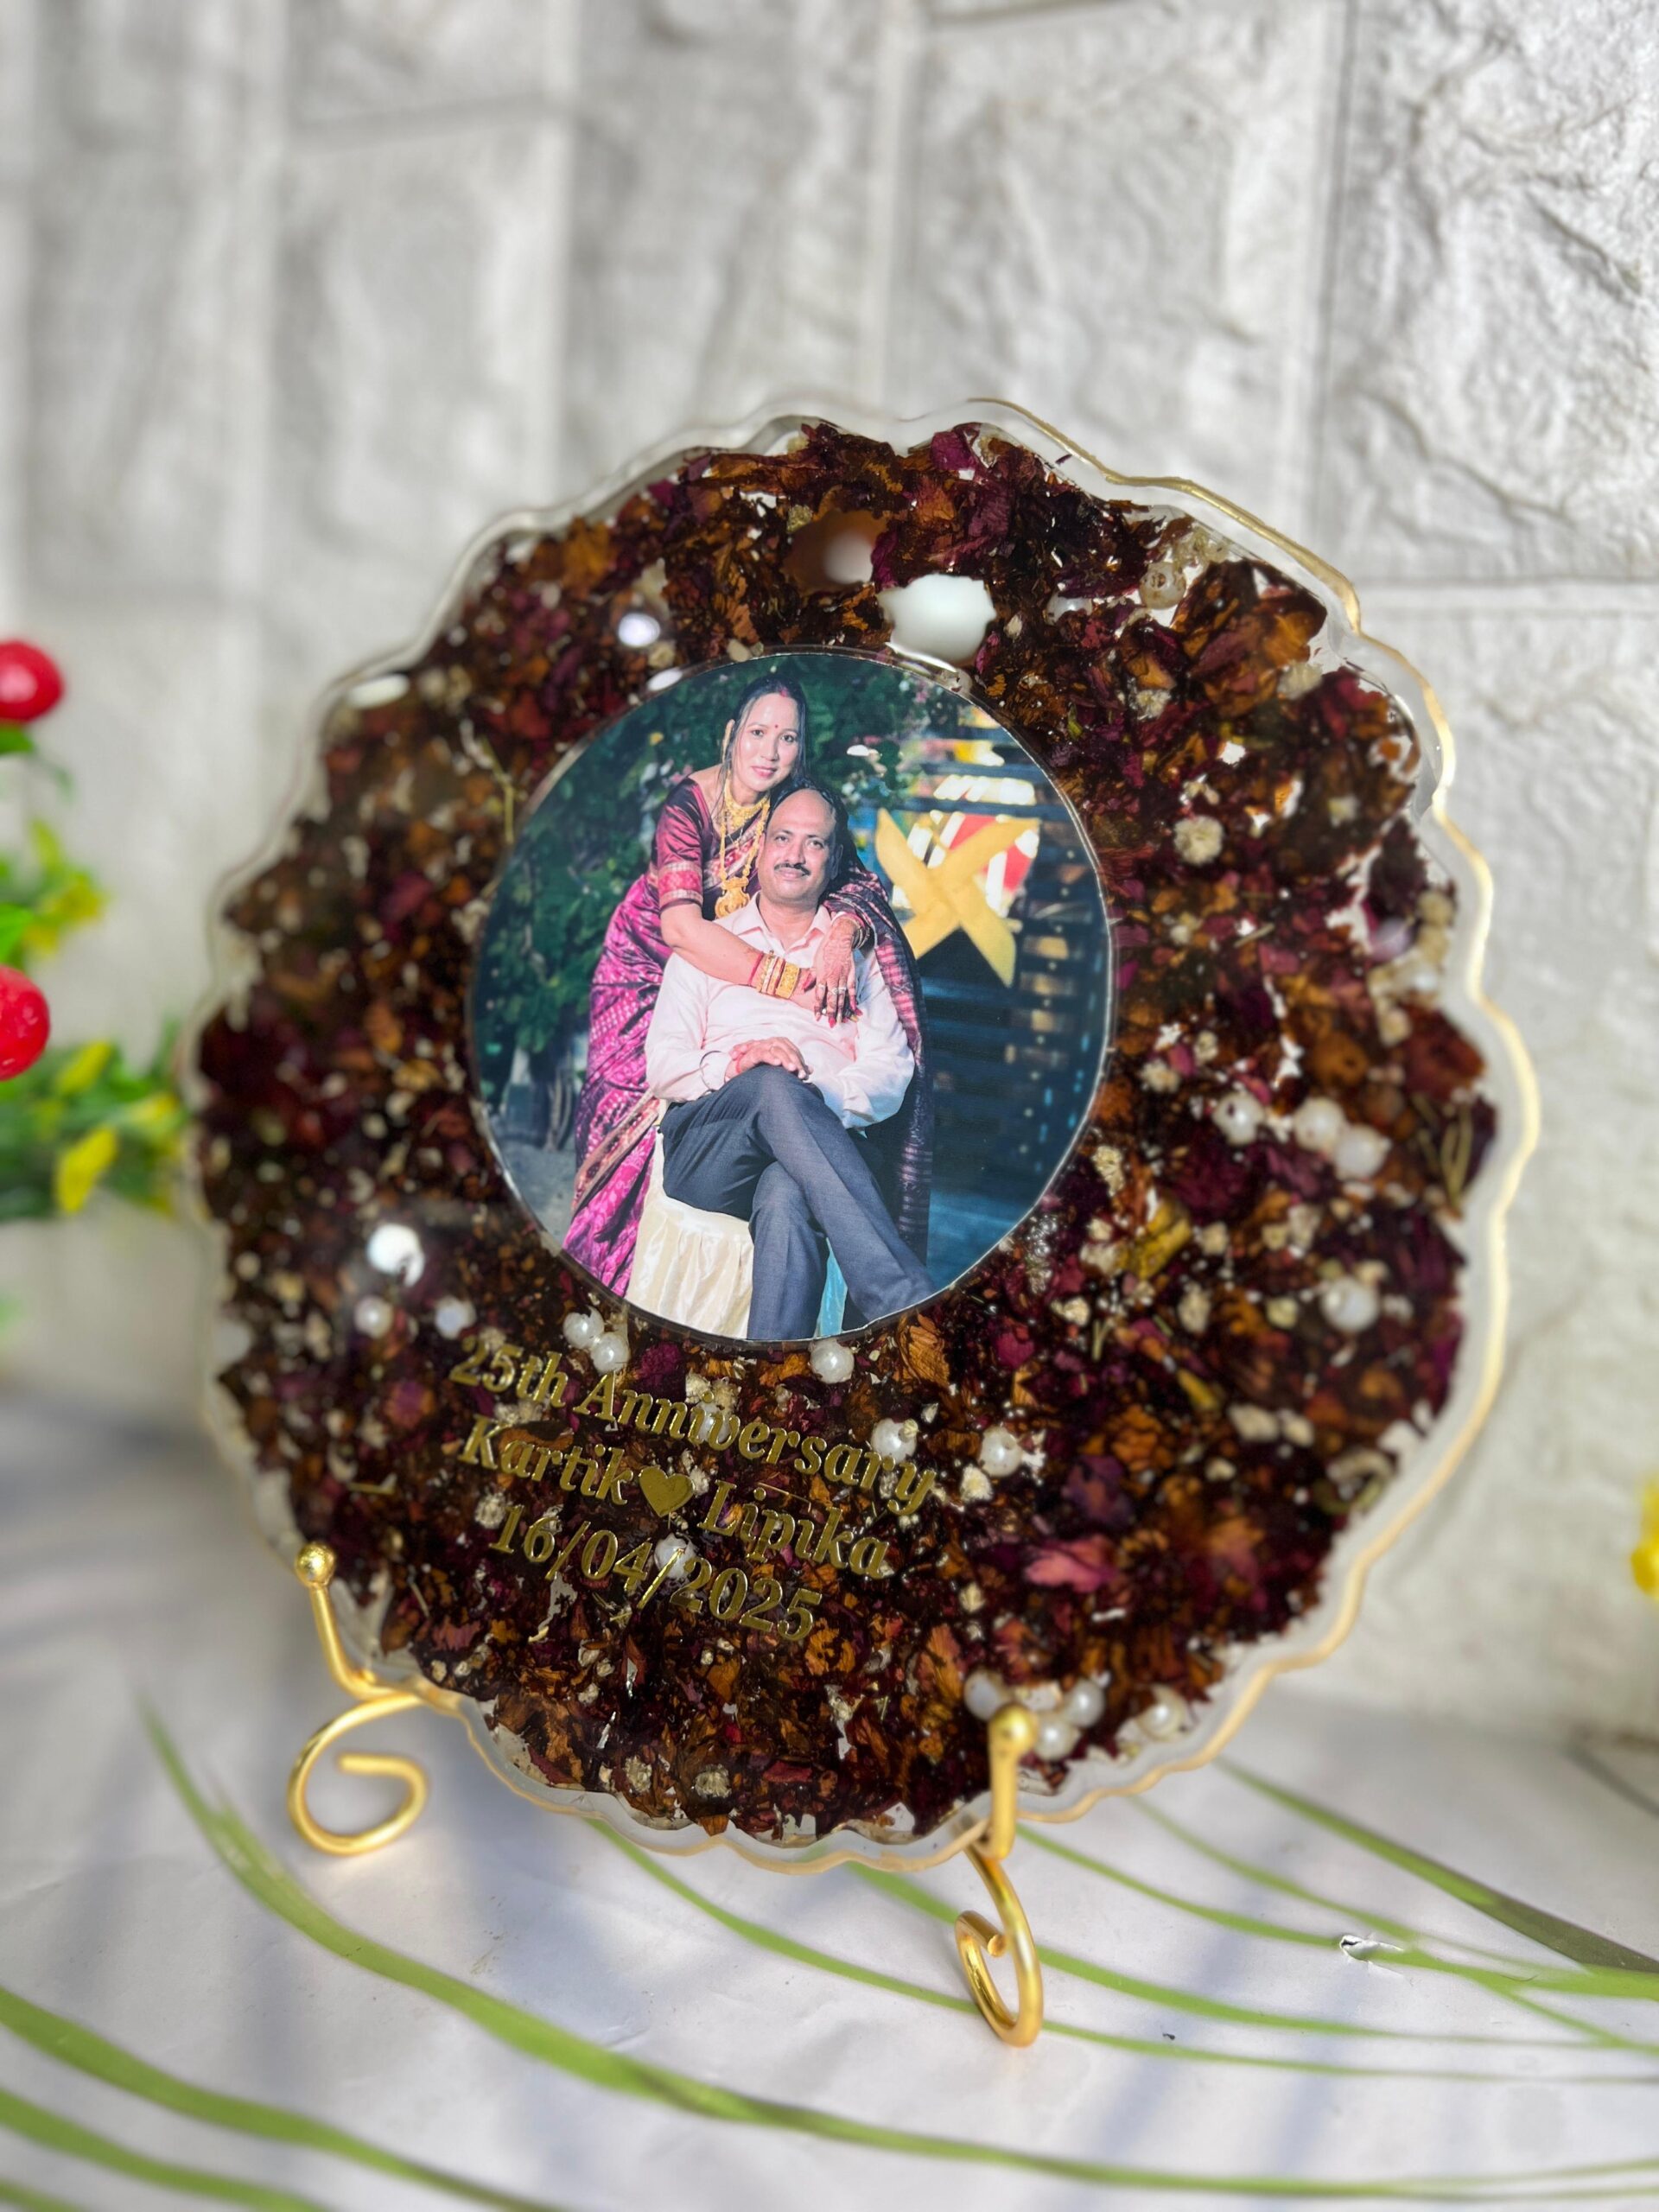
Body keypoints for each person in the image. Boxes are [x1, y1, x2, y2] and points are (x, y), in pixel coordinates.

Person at [563, 667, 932, 1294]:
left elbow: (860, 889)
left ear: (801, 747)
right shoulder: (690, 806)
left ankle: (871, 1305)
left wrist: (841, 935)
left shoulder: (797, 811)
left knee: (785, 1183)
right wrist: (792, 984)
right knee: (627, 1146)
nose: (769, 752)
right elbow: (682, 929)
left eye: (787, 738)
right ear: (731, 734)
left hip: (745, 978)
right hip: (655, 967)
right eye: (758, 732)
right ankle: (617, 1290)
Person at [644, 783, 933, 1339]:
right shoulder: (710, 943)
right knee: (771, 1081)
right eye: (782, 838)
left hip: (817, 1147)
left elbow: (891, 1072)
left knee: (787, 1191)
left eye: (813, 843)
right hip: (712, 1149)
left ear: (835, 859)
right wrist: (738, 1066)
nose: (794, 855)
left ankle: (776, 1374)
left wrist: (812, 1098)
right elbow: (664, 1064)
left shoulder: (859, 961)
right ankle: (904, 1301)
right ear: (761, 850)